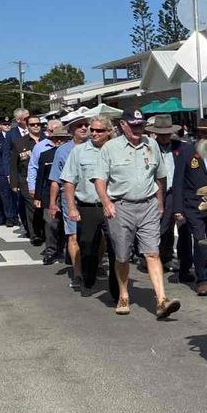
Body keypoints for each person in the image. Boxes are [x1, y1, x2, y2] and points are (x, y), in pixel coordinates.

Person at [92, 107, 180, 319]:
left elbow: (160, 177)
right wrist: (106, 202)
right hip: (120, 206)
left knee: (152, 252)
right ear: (123, 125)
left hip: (148, 205)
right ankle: (123, 294)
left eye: (140, 125)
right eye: (133, 126)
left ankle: (161, 300)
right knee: (122, 255)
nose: (137, 129)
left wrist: (159, 203)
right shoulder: (110, 148)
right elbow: (99, 180)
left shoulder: (152, 145)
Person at [61, 115, 119, 299]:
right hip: (88, 206)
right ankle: (88, 279)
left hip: (115, 206)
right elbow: (69, 181)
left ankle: (116, 288)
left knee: (116, 247)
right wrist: (71, 207)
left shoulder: (117, 150)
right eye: (92, 129)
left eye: (99, 130)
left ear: (109, 132)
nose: (93, 133)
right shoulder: (79, 152)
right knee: (87, 246)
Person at [173, 118, 207, 296]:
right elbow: (178, 181)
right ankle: (202, 279)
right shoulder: (187, 151)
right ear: (198, 134)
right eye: (203, 133)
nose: (206, 136)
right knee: (200, 241)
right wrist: (178, 209)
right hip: (193, 205)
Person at [144, 114, 192, 279]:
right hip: (157, 191)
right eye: (161, 133)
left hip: (177, 191)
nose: (164, 136)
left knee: (181, 227)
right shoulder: (149, 147)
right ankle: (156, 257)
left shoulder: (180, 147)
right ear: (155, 133)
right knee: (161, 227)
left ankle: (177, 261)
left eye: (167, 133)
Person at [49, 115, 89, 289]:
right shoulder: (63, 150)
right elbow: (55, 180)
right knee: (73, 235)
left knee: (99, 236)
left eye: (86, 125)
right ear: (72, 130)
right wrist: (52, 203)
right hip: (70, 197)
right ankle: (78, 273)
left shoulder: (97, 148)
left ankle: (95, 265)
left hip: (93, 196)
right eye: (80, 126)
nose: (84, 128)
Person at [34, 126, 70, 265]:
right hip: (49, 193)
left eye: (63, 139)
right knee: (50, 224)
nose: (60, 141)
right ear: (53, 140)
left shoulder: (72, 153)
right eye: (57, 138)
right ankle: (51, 251)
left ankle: (65, 251)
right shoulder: (46, 155)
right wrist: (38, 197)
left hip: (67, 193)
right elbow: (40, 178)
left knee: (67, 225)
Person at [10, 114, 45, 244]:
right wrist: (14, 183)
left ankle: (45, 231)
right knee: (31, 206)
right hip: (26, 179)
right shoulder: (20, 142)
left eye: (38, 124)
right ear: (27, 126)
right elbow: (14, 164)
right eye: (32, 124)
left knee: (44, 207)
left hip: (44, 179)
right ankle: (34, 234)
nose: (36, 126)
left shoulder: (47, 140)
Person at [4, 108, 30, 229]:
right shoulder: (11, 135)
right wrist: (9, 173)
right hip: (19, 172)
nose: (30, 121)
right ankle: (25, 223)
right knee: (21, 198)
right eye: (26, 118)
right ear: (19, 120)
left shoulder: (35, 131)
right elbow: (7, 155)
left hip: (32, 170)